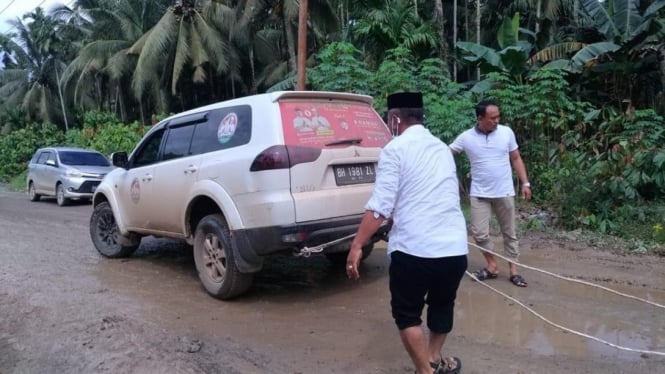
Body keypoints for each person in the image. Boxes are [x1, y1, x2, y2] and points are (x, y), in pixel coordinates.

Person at [346, 92, 467, 374]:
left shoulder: (395, 149)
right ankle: (434, 359)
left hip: (415, 251)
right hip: (454, 249)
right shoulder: (441, 148)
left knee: (407, 315)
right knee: (442, 305)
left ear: (395, 118)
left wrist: (357, 245)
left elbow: (379, 208)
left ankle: (425, 371)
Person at [449, 99, 532, 287]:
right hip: (479, 193)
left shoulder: (506, 133)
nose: (496, 120)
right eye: (492, 117)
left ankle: (514, 271)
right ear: (480, 118)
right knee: (479, 233)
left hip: (504, 192)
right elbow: (446, 153)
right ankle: (492, 265)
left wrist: (525, 183)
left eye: (498, 117)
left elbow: (516, 158)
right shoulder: (466, 137)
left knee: (509, 233)